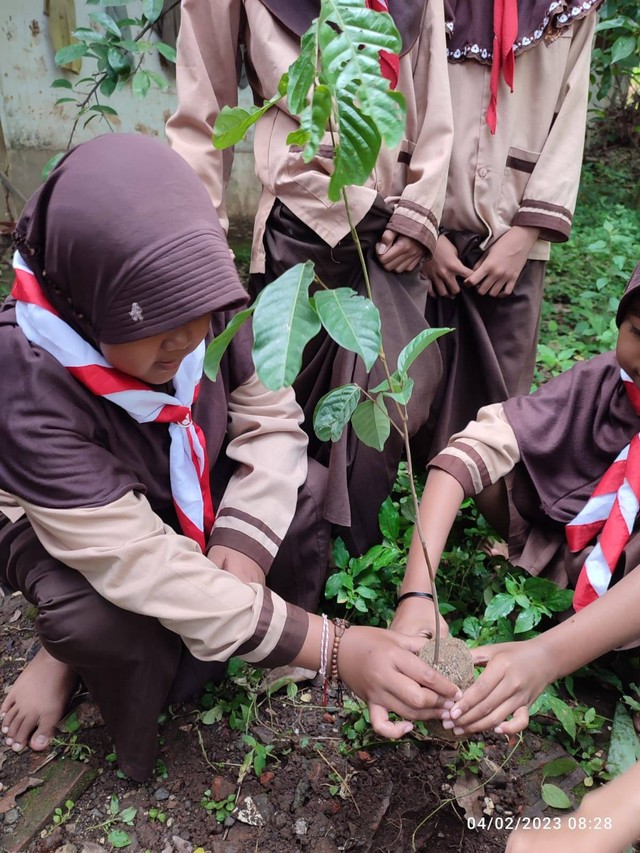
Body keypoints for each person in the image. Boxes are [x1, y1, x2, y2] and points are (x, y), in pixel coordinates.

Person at [0, 134, 461, 782]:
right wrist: (335, 647)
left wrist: (241, 550)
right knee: (95, 612)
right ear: (87, 301)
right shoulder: (26, 384)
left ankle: (230, 618)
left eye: (201, 318)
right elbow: (137, 558)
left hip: (169, 475)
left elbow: (271, 417)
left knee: (301, 496)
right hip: (72, 522)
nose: (190, 341)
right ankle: (65, 656)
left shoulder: (197, 295)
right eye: (158, 329)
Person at [165, 0, 453, 555]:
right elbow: (201, 113)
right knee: (281, 416)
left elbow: (435, 95)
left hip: (392, 233)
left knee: (389, 410)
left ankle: (351, 563)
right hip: (298, 231)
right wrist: (201, 248)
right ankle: (291, 563)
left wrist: (423, 207)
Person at [422, 0, 604, 456]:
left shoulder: (570, 7)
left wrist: (525, 235)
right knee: (413, 382)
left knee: (498, 398)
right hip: (425, 227)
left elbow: (571, 112)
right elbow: (402, 96)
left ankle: (477, 505)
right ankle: (411, 501)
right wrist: (423, 230)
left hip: (516, 236)